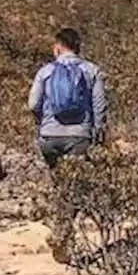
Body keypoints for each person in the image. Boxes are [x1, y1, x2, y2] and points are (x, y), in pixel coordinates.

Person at [28, 28, 107, 169]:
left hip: (49, 135)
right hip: (80, 135)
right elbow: (99, 105)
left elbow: (33, 104)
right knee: (76, 180)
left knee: (56, 176)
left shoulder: (45, 71)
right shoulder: (92, 70)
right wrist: (98, 132)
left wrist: (42, 123)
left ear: (58, 47)